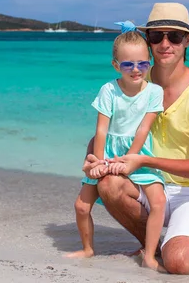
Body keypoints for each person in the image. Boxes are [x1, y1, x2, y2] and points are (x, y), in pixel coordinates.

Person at [84, 3, 189, 275]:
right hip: (151, 183)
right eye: (156, 36)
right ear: (148, 41)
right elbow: (106, 132)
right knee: (109, 185)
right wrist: (94, 160)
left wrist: (145, 160)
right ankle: (150, 245)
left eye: (174, 36)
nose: (165, 43)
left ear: (187, 41)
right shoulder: (135, 79)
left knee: (179, 263)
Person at [66, 21, 167, 272]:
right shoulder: (109, 90)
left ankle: (150, 255)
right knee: (81, 206)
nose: (136, 70)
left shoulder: (154, 91)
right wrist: (99, 162)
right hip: (107, 152)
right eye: (128, 64)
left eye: (142, 63)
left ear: (149, 63)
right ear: (116, 65)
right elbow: (101, 129)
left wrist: (130, 158)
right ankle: (88, 249)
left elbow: (144, 129)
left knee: (159, 202)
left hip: (138, 153)